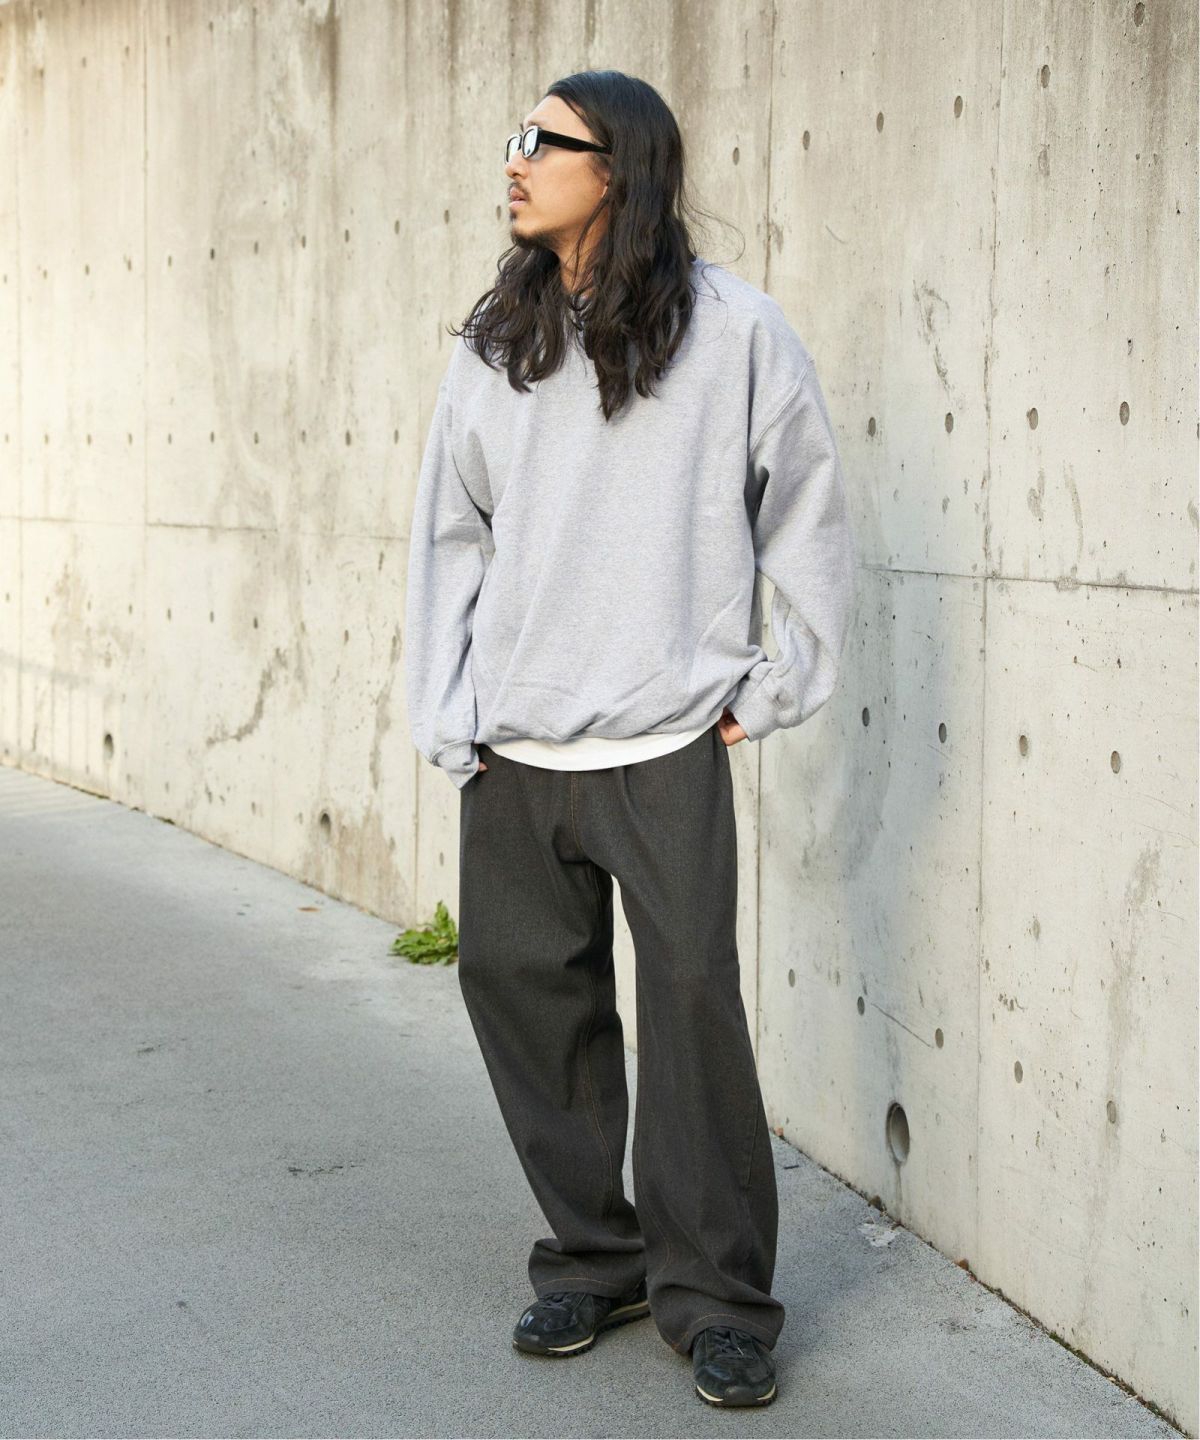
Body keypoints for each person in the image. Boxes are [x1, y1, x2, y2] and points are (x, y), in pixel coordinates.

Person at [404, 70, 857, 1409]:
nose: (516, 161)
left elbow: (807, 511)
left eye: (544, 141)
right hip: (518, 748)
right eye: (516, 139)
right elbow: (448, 533)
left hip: (663, 742)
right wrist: (450, 711)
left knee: (696, 1008)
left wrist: (773, 685)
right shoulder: (497, 343)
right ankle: (595, 1258)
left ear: (623, 167)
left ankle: (718, 1301)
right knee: (522, 996)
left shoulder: (735, 332)